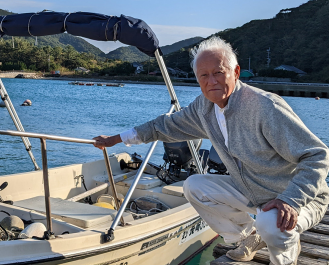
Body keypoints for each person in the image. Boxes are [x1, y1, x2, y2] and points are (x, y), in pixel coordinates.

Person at [93, 36, 329, 265]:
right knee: (194, 186)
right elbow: (164, 126)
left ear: (235, 73)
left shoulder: (266, 108)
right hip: (253, 190)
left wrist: (291, 200)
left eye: (218, 72)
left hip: (300, 198)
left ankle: (285, 257)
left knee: (271, 222)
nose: (211, 81)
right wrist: (117, 138)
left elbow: (317, 154)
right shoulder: (204, 108)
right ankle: (248, 238)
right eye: (203, 75)